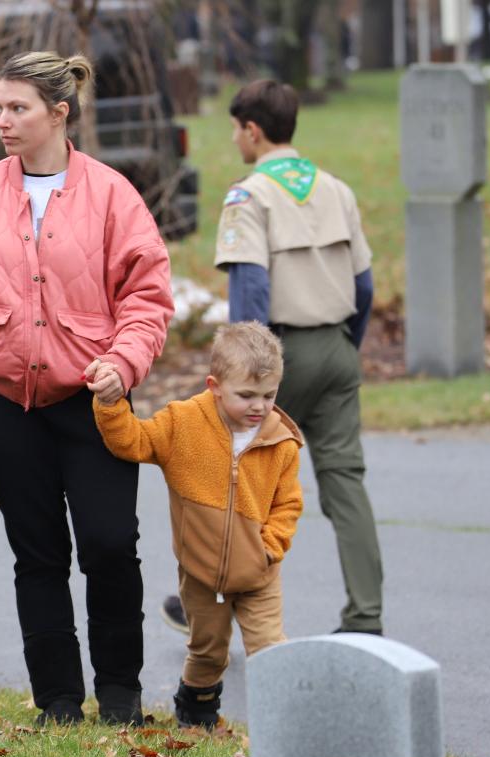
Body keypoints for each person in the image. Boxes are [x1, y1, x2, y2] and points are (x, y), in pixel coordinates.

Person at [0, 51, 173, 726]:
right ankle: (57, 701)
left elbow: (147, 297)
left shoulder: (113, 196)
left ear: (60, 112)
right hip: (2, 404)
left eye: (17, 108)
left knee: (110, 544)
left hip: (95, 401)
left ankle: (120, 694)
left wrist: (125, 361)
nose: (3, 121)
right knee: (38, 553)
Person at [162, 78, 384, 637]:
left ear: (252, 130)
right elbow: (364, 286)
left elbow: (252, 290)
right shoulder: (336, 189)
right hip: (336, 349)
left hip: (272, 358)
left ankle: (212, 601)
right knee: (345, 483)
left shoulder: (249, 195)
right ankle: (365, 616)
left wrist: (248, 367)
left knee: (232, 483)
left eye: (236, 129)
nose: (235, 139)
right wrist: (341, 347)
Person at [91, 322, 303, 727]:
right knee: (208, 652)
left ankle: (284, 727)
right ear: (215, 385)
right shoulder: (183, 423)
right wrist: (111, 404)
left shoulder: (281, 441)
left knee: (270, 649)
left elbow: (288, 503)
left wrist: (269, 548)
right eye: (246, 395)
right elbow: (132, 441)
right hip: (201, 574)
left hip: (260, 573)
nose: (259, 406)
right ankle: (197, 705)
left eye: (269, 395)